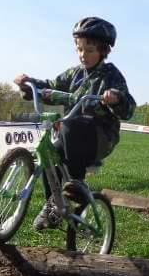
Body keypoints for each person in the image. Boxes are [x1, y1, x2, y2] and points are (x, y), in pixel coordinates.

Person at [14, 16, 137, 230]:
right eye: (79, 49)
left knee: (71, 125)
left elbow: (129, 107)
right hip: (71, 135)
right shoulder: (75, 74)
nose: (83, 55)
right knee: (50, 153)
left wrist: (116, 98)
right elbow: (51, 87)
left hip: (100, 136)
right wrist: (28, 84)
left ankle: (77, 183)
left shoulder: (111, 74)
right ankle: (54, 204)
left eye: (89, 50)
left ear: (103, 51)